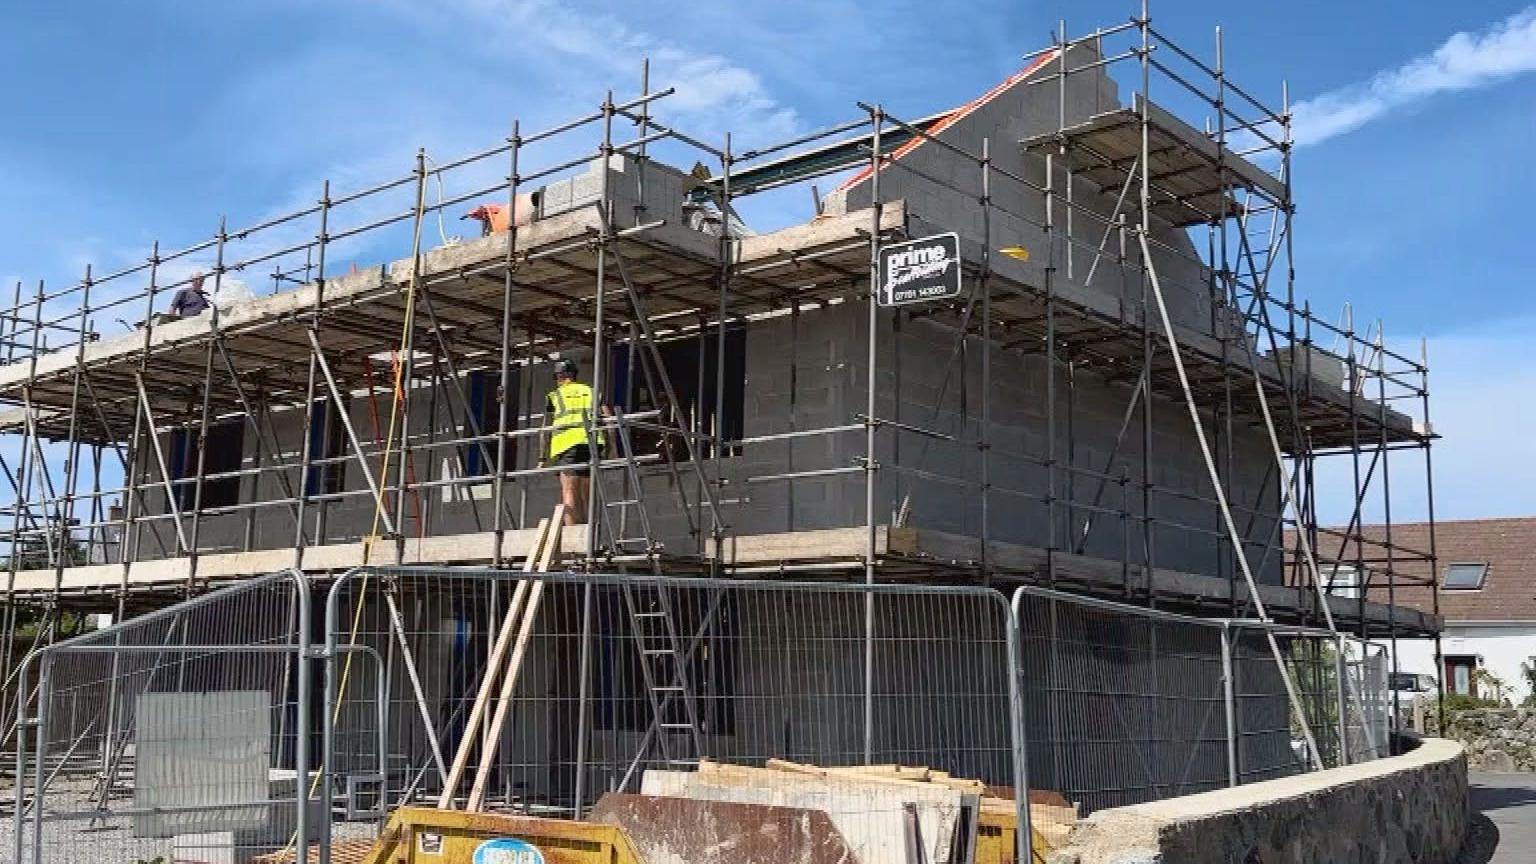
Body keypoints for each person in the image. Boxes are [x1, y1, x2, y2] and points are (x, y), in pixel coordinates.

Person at [539, 358, 607, 526]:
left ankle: (573, 540)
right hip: (593, 443)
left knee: (569, 490)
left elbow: (545, 430)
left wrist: (542, 458)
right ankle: (590, 534)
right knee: (587, 491)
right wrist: (611, 448)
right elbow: (609, 420)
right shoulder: (592, 391)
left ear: (559, 377)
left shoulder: (555, 396)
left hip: (567, 445)